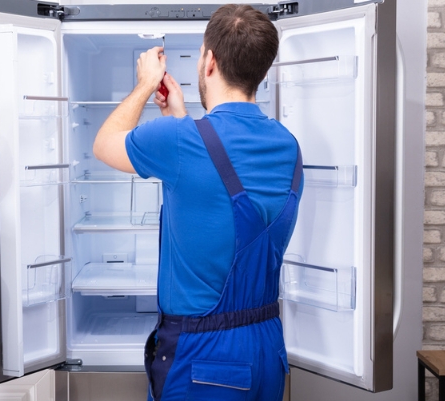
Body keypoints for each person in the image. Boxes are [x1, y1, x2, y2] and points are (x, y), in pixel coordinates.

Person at [93, 4, 303, 401]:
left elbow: (104, 144)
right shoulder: (288, 147)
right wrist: (178, 114)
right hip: (267, 348)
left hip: (204, 359)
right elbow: (213, 191)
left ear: (209, 61)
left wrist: (144, 84)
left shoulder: (178, 142)